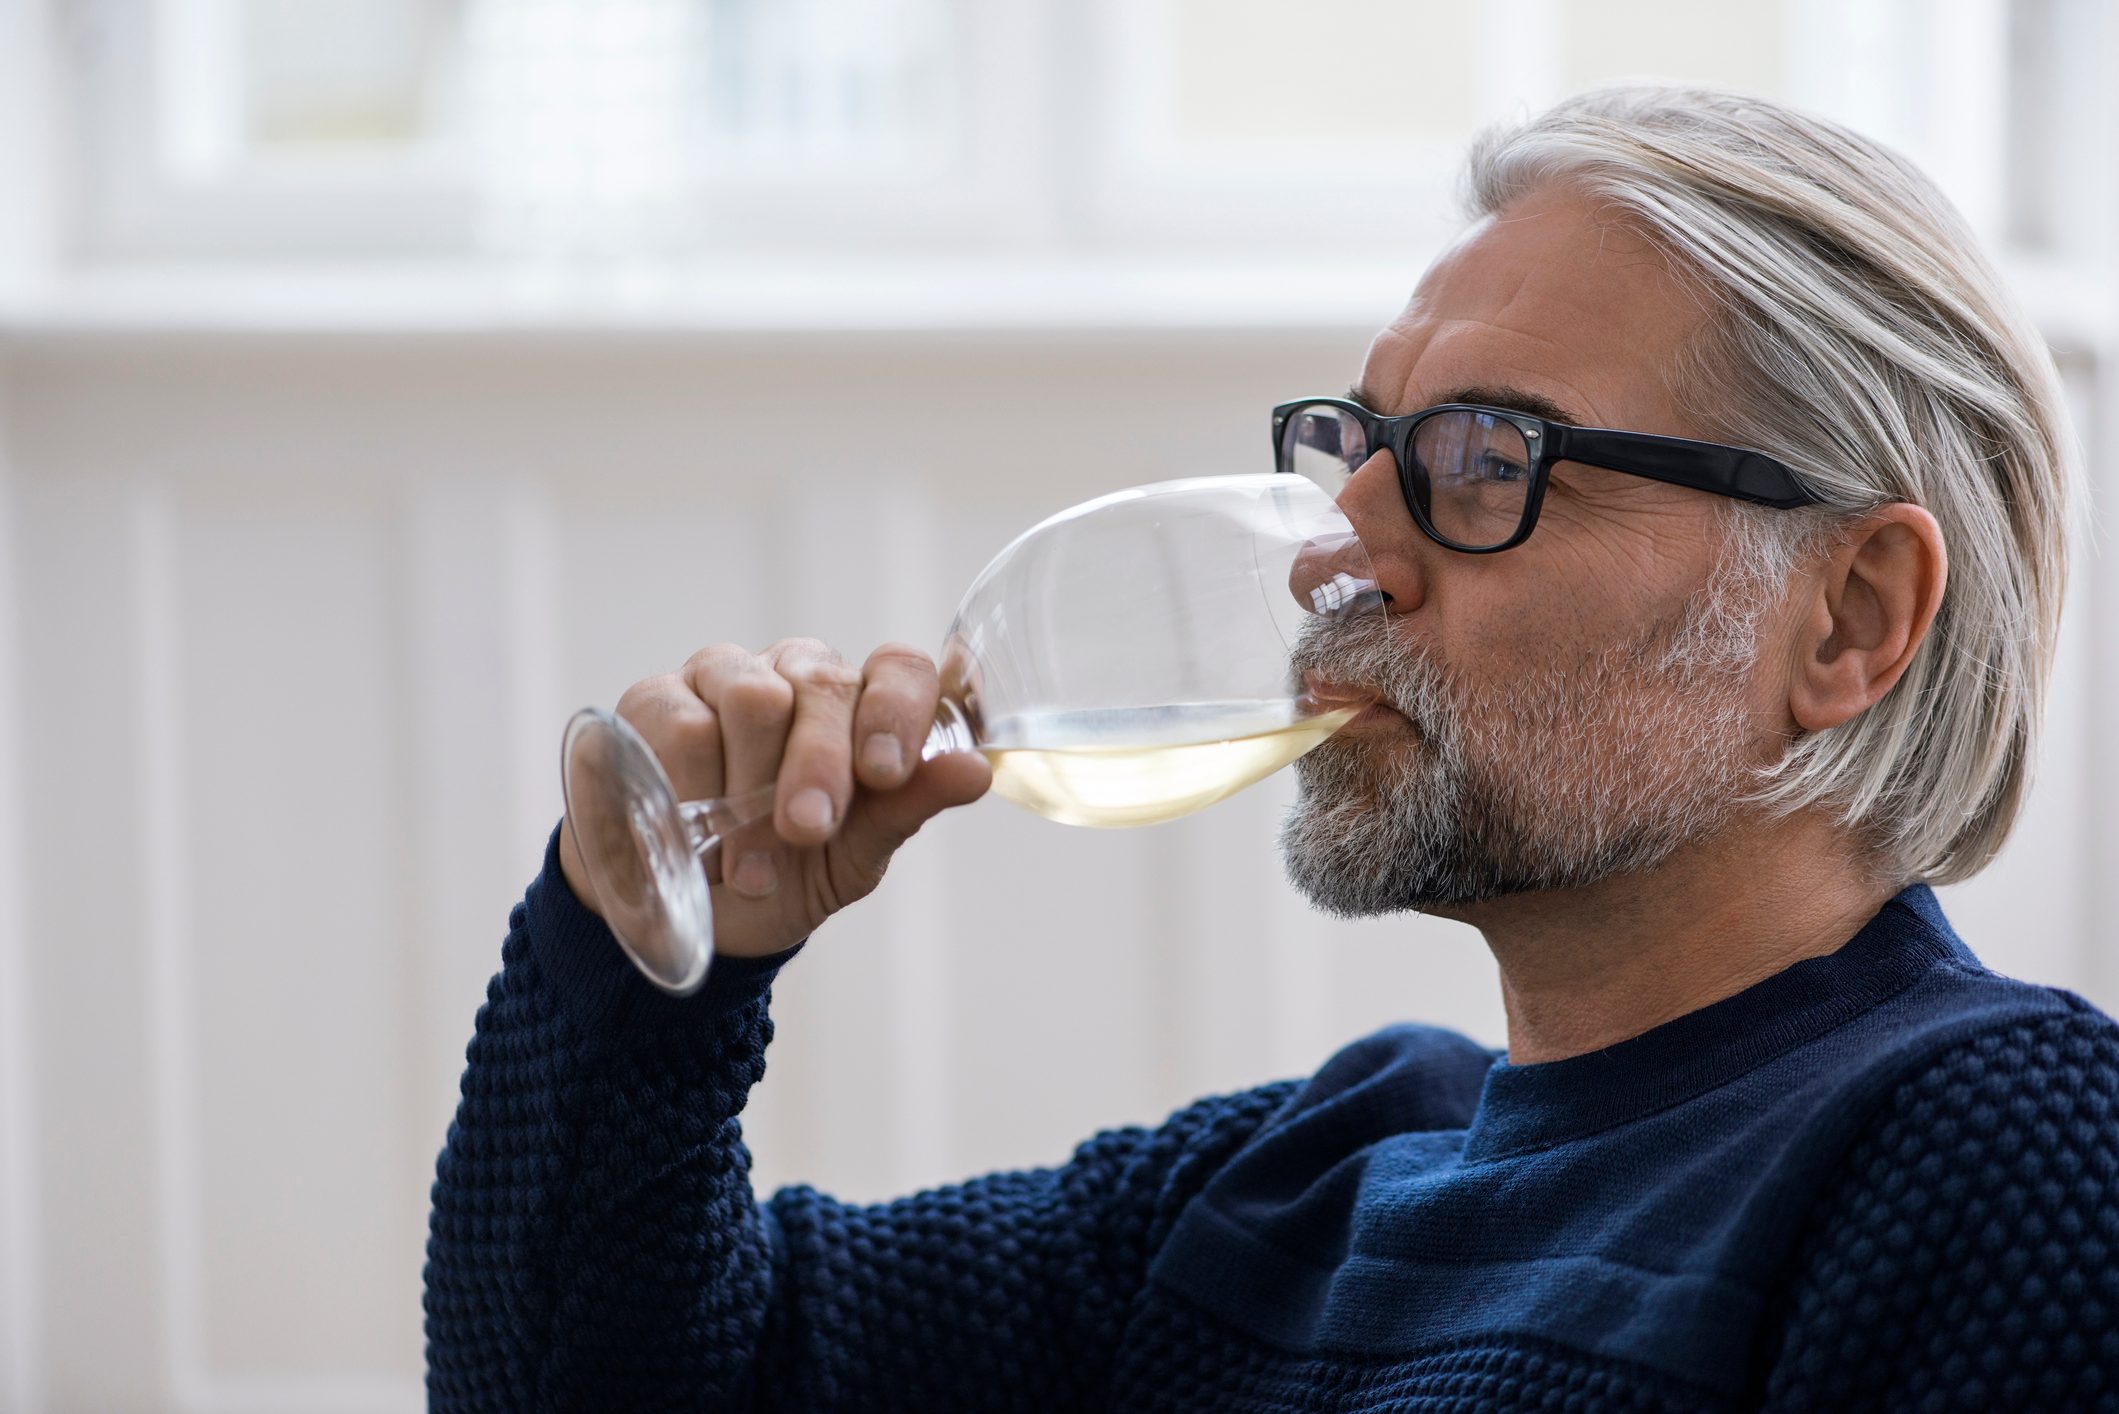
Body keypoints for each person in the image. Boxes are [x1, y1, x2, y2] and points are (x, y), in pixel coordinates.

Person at [423, 86, 2119, 1411]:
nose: (1338, 551)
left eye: (1481, 456)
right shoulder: (1312, 1172)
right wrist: (648, 963)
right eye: (1360, 448)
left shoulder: (2008, 1150)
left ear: (1850, 616)